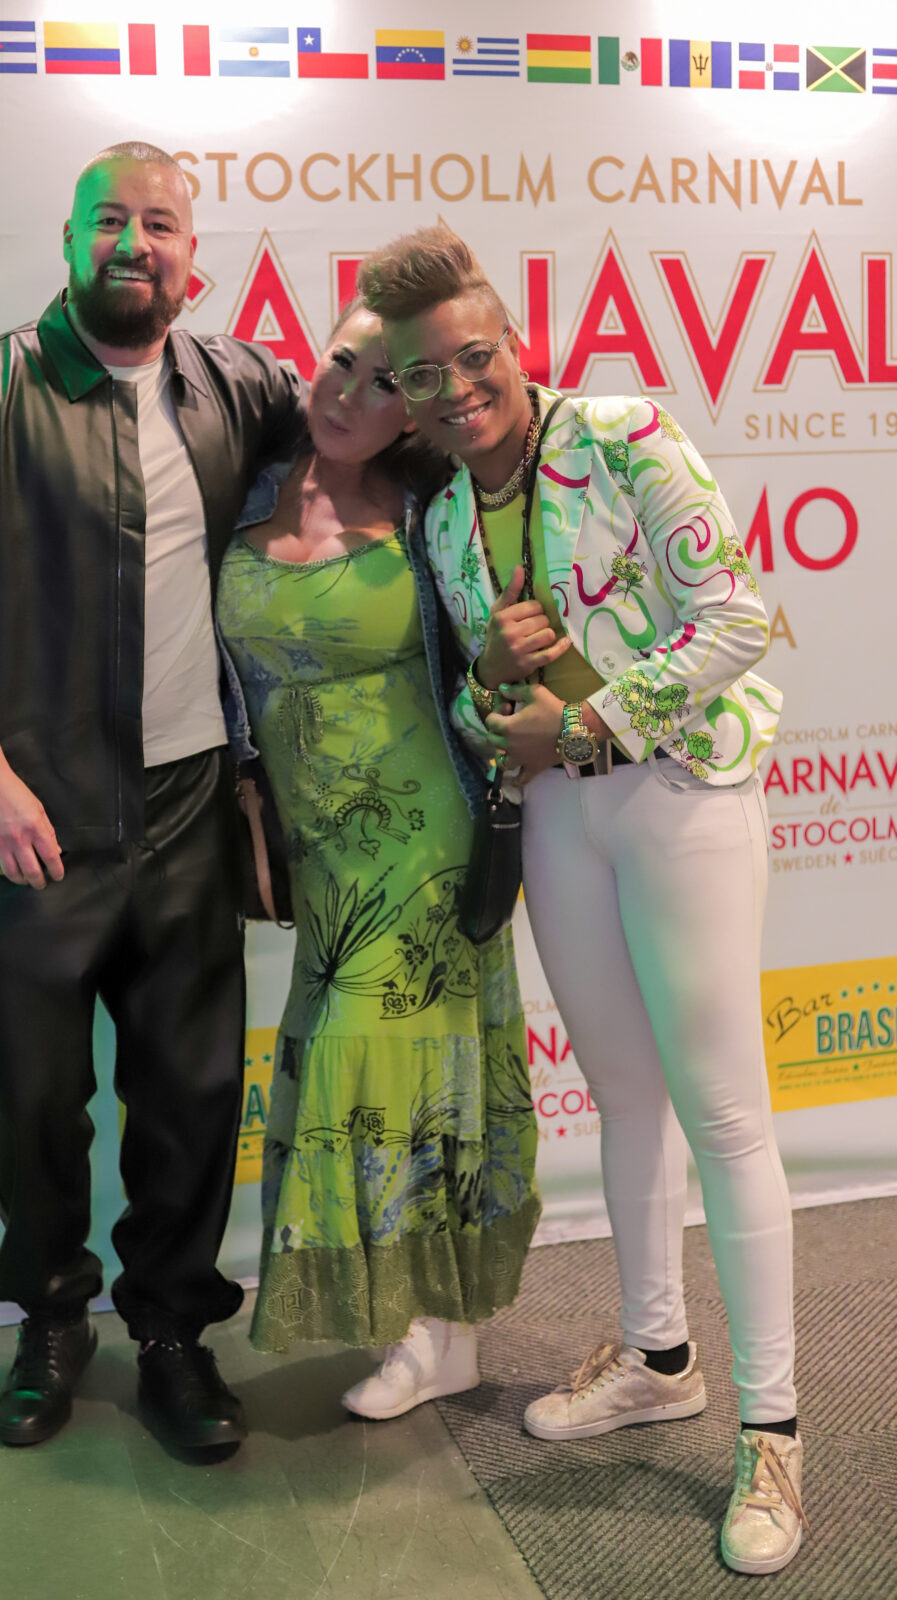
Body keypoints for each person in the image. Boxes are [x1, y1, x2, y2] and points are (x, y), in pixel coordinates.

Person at [0, 141, 304, 1452]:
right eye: (109, 219)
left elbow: (365, 443)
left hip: (191, 810)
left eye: (159, 224)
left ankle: (172, 1337)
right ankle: (51, 1320)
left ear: (193, 257)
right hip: (30, 819)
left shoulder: (243, 386)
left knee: (192, 1097)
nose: (132, 243)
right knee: (29, 1096)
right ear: (68, 239)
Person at [360, 228, 806, 1573]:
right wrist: (492, 688)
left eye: (473, 358)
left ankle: (773, 1430)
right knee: (622, 1097)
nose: (456, 391)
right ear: (404, 394)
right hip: (558, 815)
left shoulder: (623, 437)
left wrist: (593, 718)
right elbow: (469, 708)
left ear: (514, 344)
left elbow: (738, 614)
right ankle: (658, 1356)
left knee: (724, 1111)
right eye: (424, 376)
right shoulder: (443, 516)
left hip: (678, 794)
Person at [216, 300, 543, 1417]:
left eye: (389, 382)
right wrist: (247, 798)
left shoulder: (434, 510)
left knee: (403, 1068)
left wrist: (509, 677)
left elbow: (503, 655)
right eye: (343, 363)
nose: (352, 395)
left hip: (422, 842)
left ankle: (426, 1330)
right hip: (319, 855)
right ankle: (442, 1337)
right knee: (379, 1067)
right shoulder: (239, 487)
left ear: (416, 409)